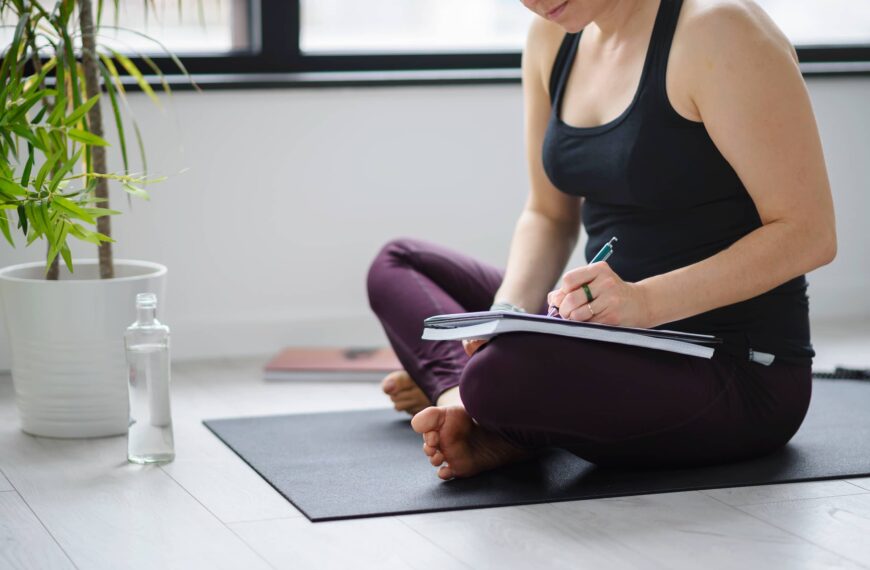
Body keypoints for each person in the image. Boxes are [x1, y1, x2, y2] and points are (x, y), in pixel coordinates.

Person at [366, 0, 836, 480]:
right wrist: (505, 314)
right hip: (604, 333)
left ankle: (487, 406)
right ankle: (460, 403)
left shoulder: (720, 30)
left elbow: (809, 234)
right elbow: (548, 214)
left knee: (500, 375)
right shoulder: (550, 38)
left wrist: (645, 302)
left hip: (736, 369)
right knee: (398, 263)